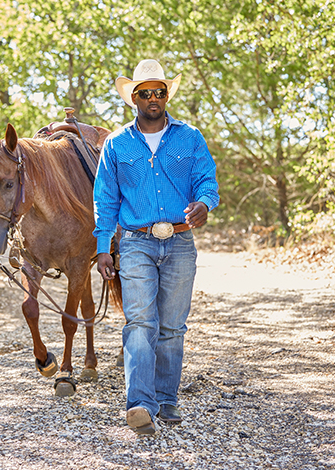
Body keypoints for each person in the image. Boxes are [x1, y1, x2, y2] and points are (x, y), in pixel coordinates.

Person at [93, 59, 220, 435]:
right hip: (135, 243)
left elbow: (206, 182)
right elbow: (106, 200)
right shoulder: (116, 144)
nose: (153, 98)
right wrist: (104, 248)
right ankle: (140, 404)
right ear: (133, 97)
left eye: (159, 92)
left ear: (166, 96)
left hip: (180, 241)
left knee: (172, 326)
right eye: (145, 92)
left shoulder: (190, 137)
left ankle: (166, 398)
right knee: (140, 322)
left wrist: (204, 204)